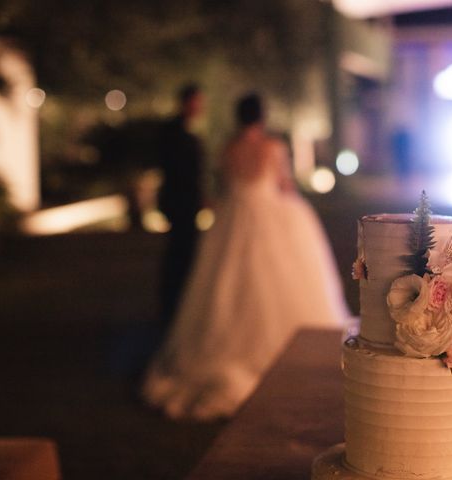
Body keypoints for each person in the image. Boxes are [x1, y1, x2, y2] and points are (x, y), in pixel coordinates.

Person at [142, 93, 348, 420]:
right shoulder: (273, 147)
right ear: (261, 117)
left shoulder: (228, 149)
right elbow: (284, 184)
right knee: (279, 280)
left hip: (234, 218)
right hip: (267, 215)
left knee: (226, 285)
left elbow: (224, 187)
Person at [157, 84, 206, 328]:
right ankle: (173, 306)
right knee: (180, 252)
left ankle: (176, 304)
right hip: (180, 201)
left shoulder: (185, 132)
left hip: (186, 201)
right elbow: (178, 171)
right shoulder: (174, 133)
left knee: (183, 251)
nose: (200, 107)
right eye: (197, 102)